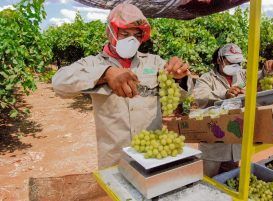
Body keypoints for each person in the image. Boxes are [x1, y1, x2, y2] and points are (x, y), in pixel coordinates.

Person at [52, 3, 190, 169]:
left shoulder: (154, 62)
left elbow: (181, 96)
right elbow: (59, 83)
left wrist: (179, 78)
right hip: (115, 159)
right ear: (110, 33)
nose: (131, 40)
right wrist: (105, 74)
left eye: (137, 35)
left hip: (153, 153)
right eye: (125, 33)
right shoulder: (93, 63)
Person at [192, 43, 273, 177]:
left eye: (238, 62)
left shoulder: (243, 75)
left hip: (235, 142)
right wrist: (224, 93)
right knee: (208, 180)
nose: (235, 65)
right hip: (214, 146)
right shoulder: (207, 78)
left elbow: (263, 75)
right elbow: (199, 96)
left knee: (229, 179)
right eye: (231, 61)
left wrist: (272, 67)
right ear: (219, 60)